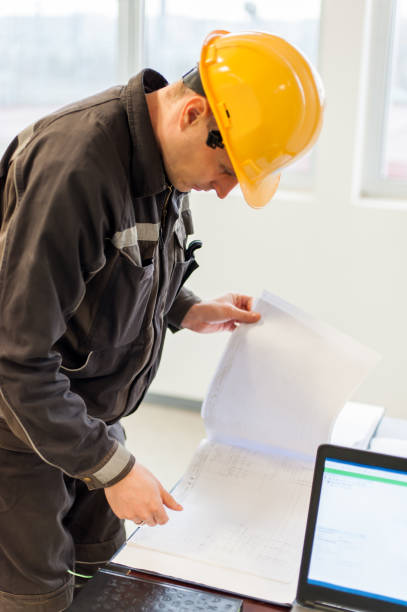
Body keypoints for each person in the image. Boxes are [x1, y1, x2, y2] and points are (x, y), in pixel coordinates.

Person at [0, 29, 324, 611]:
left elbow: (113, 272)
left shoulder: (165, 161)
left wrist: (186, 307)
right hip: (19, 439)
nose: (224, 192)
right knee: (37, 599)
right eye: (227, 170)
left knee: (109, 582)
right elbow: (14, 360)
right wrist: (116, 470)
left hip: (87, 424)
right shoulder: (76, 170)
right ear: (194, 113)